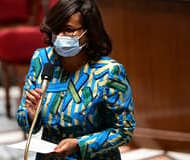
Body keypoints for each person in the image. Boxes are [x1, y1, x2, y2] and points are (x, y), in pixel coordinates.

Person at [17, 0, 136, 159]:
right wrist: (31, 115)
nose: (60, 36)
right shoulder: (42, 59)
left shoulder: (109, 72)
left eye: (68, 30)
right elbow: (24, 120)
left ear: (89, 33)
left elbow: (124, 130)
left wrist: (80, 144)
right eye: (56, 29)